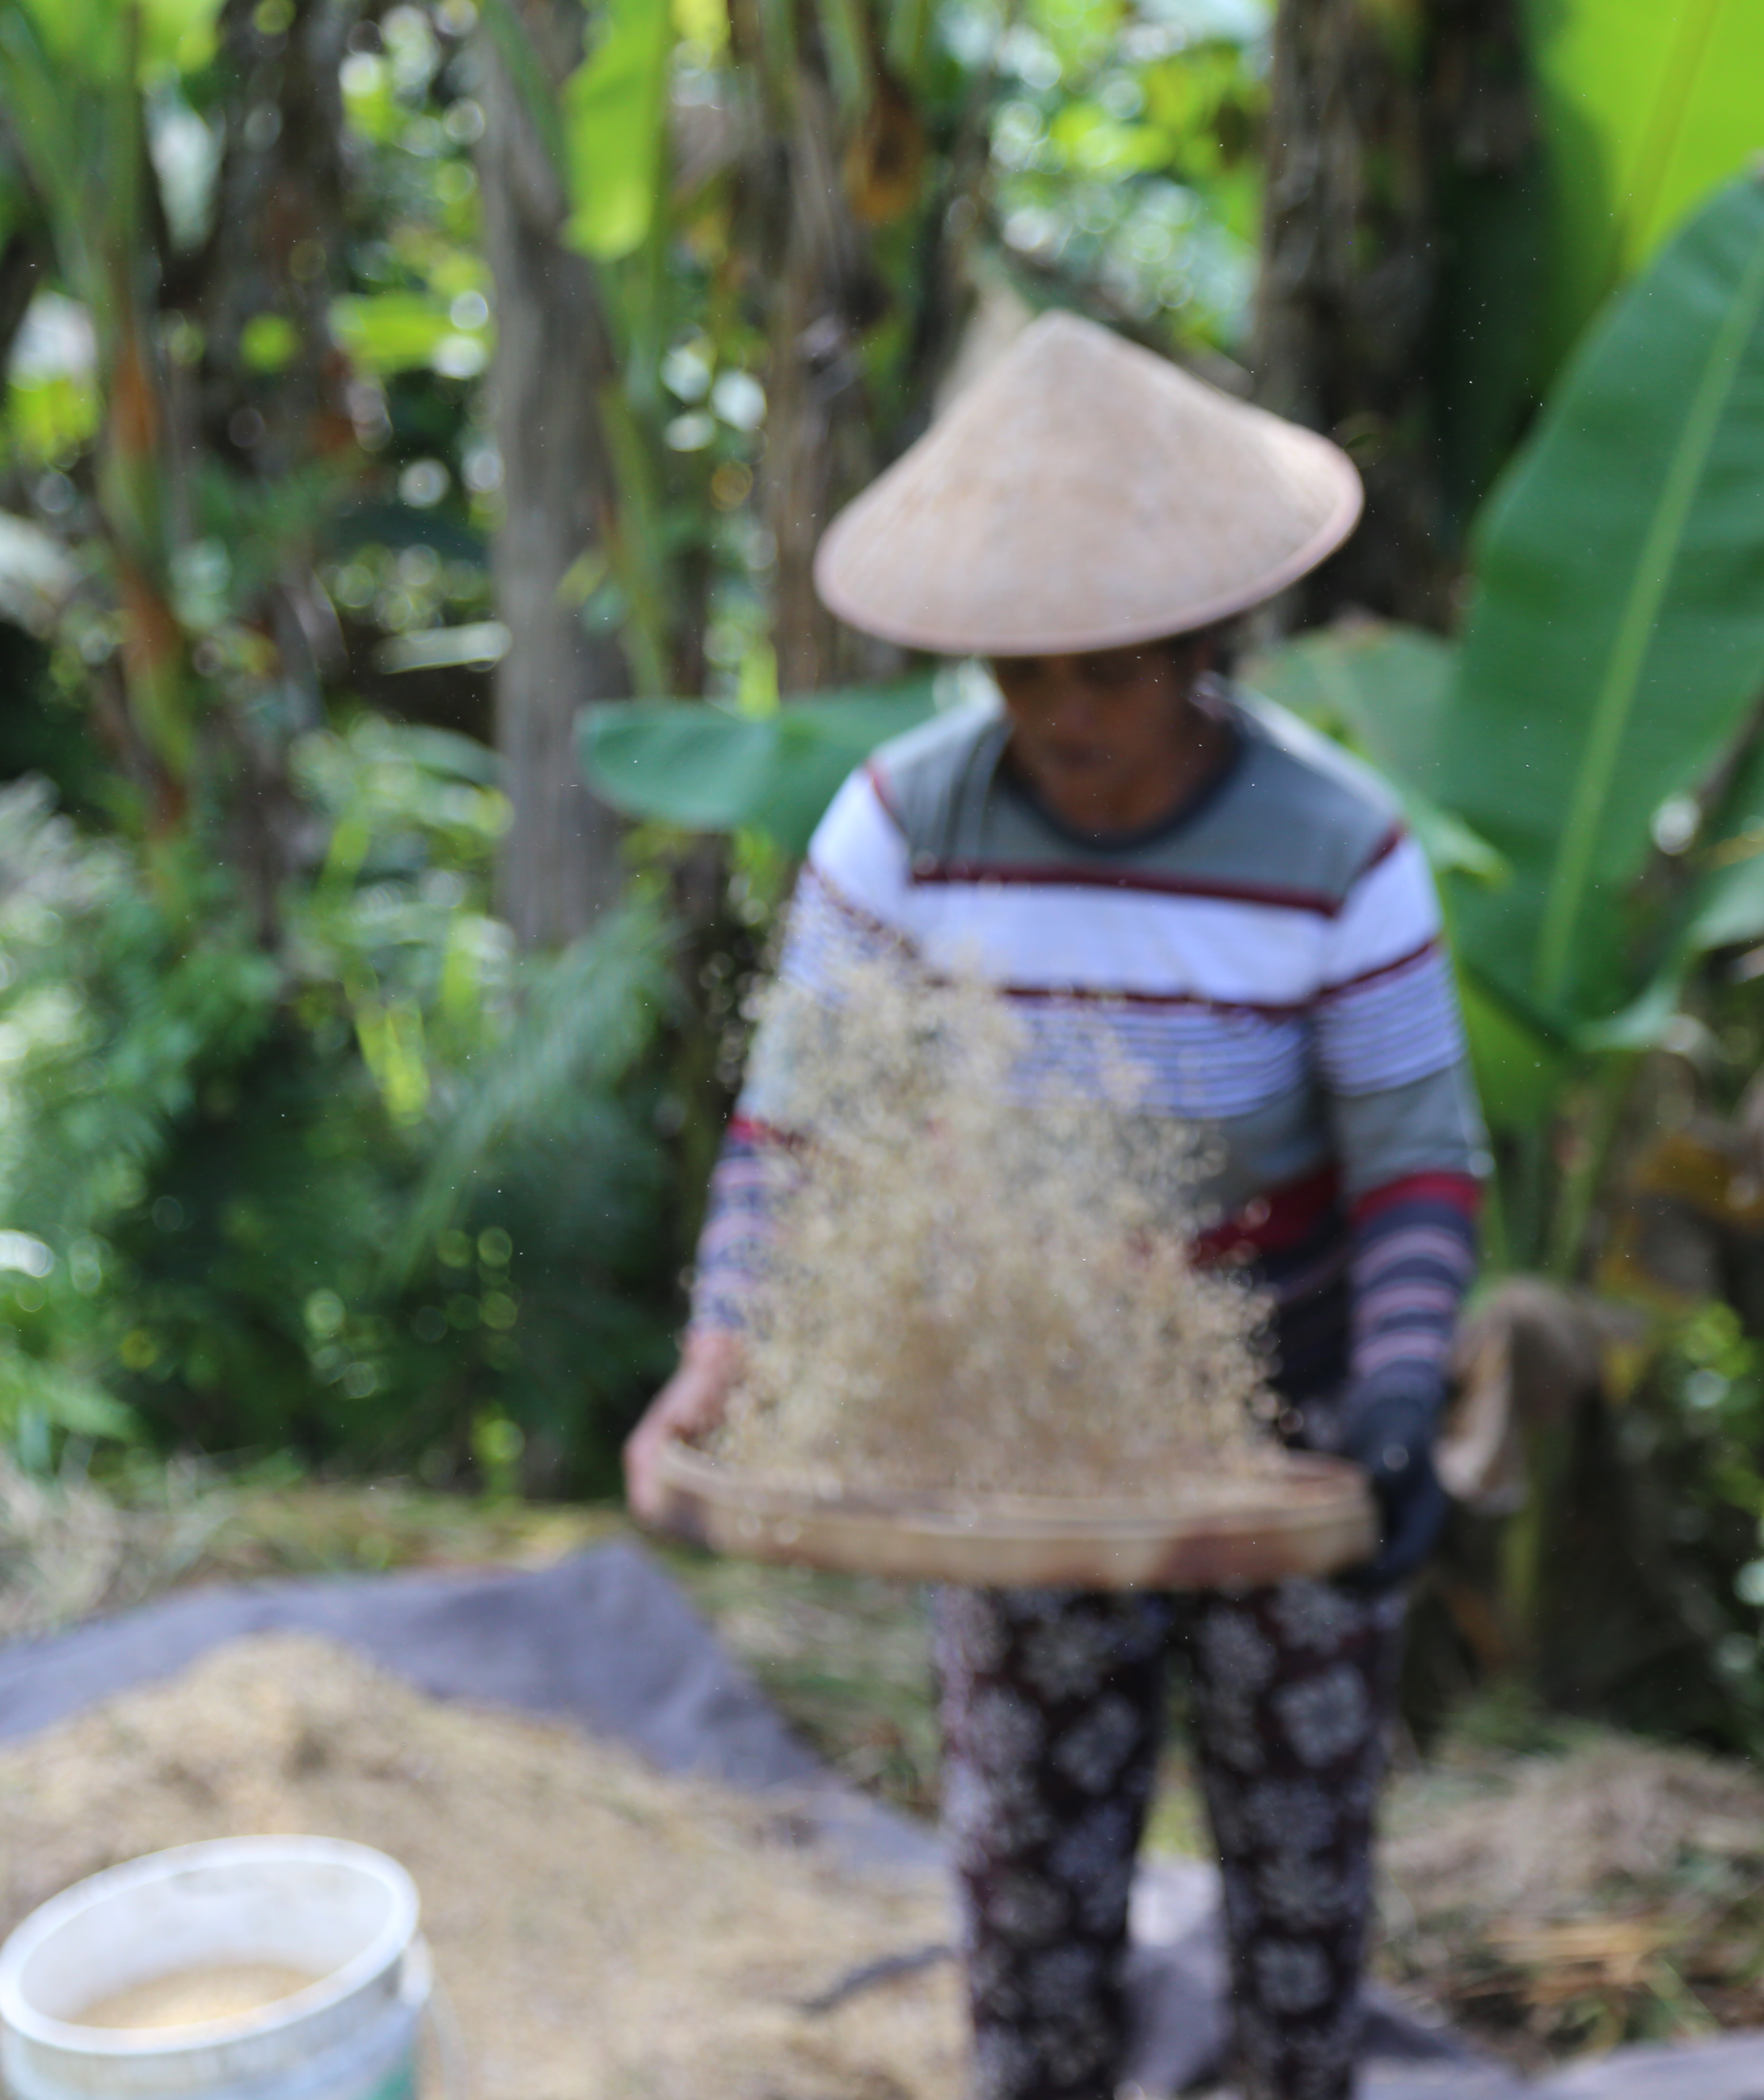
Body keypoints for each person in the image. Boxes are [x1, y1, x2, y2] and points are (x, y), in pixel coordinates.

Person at [622, 310, 1485, 2100]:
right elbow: (799, 1139)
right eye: (1021, 677)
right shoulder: (903, 827)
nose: (1059, 718)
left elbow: (1413, 1163)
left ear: (1196, 647)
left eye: (1103, 673)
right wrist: (721, 1358)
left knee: (1304, 1874)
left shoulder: (1341, 850)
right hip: (1016, 1425)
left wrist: (1396, 1399)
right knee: (1029, 1879)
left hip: (1278, 1417)